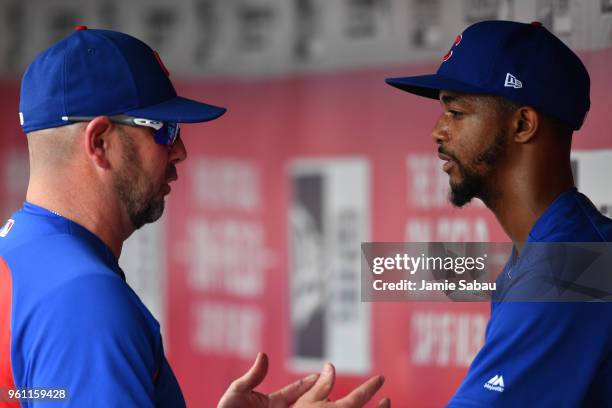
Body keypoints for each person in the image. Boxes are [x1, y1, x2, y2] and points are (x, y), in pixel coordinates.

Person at [0, 26, 390, 408]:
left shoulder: (19, 258)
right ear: (100, 142)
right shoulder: (84, 299)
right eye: (164, 131)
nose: (180, 151)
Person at [385, 20, 612, 406]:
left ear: (522, 124)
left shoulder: (572, 268)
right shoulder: (550, 252)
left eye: (455, 112)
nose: (437, 132)